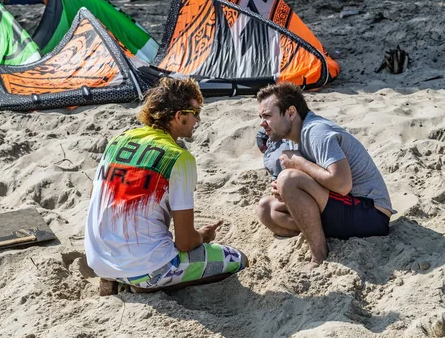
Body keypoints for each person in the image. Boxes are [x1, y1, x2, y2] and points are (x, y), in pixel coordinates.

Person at [85, 77, 247, 294]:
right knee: (237, 259)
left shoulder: (119, 140)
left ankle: (121, 279)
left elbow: (94, 194)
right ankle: (144, 286)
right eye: (196, 113)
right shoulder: (178, 158)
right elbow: (185, 242)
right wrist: (203, 236)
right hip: (146, 267)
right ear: (179, 117)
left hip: (99, 260)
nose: (198, 121)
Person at [255, 83, 394, 270]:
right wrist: (287, 193)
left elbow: (343, 184)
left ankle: (318, 256)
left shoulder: (316, 131)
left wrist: (298, 164)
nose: (262, 123)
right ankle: (317, 231)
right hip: (345, 207)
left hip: (371, 214)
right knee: (266, 209)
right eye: (261, 117)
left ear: (290, 113)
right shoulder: (299, 137)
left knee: (288, 178)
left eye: (267, 116)